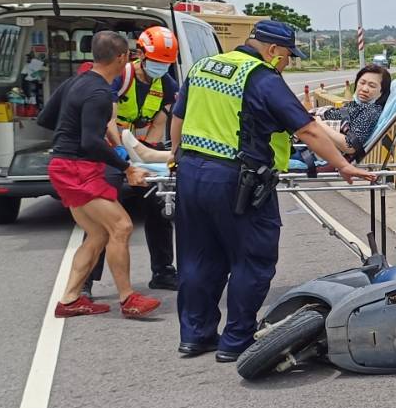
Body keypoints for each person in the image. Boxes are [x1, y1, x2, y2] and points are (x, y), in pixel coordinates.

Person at [168, 20, 371, 362]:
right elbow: (307, 130)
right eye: (288, 54)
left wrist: (176, 158)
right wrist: (343, 164)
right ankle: (235, 341)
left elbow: (179, 116)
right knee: (252, 258)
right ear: (273, 50)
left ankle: (195, 336)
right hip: (238, 181)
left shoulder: (203, 67)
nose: (288, 62)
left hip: (190, 174)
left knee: (198, 257)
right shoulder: (260, 78)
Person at [45, 31, 161, 319]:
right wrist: (127, 168)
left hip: (64, 164)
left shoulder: (76, 81)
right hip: (77, 168)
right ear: (123, 58)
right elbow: (91, 142)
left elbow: (46, 118)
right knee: (121, 227)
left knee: (97, 233)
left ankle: (70, 299)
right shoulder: (99, 93)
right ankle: (128, 298)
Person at [115, 26, 181, 291]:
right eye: (157, 62)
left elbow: (165, 118)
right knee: (105, 217)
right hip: (113, 149)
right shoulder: (121, 77)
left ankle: (163, 272)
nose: (160, 67)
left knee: (159, 211)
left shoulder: (165, 83)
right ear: (140, 53)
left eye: (166, 63)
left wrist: (148, 155)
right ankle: (86, 282)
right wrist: (123, 156)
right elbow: (105, 119)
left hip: (142, 149)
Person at [314, 63, 390, 162]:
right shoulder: (355, 105)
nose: (364, 89)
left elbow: (349, 146)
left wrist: (316, 123)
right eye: (362, 83)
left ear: (382, 92)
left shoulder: (370, 111)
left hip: (317, 155)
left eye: (372, 86)